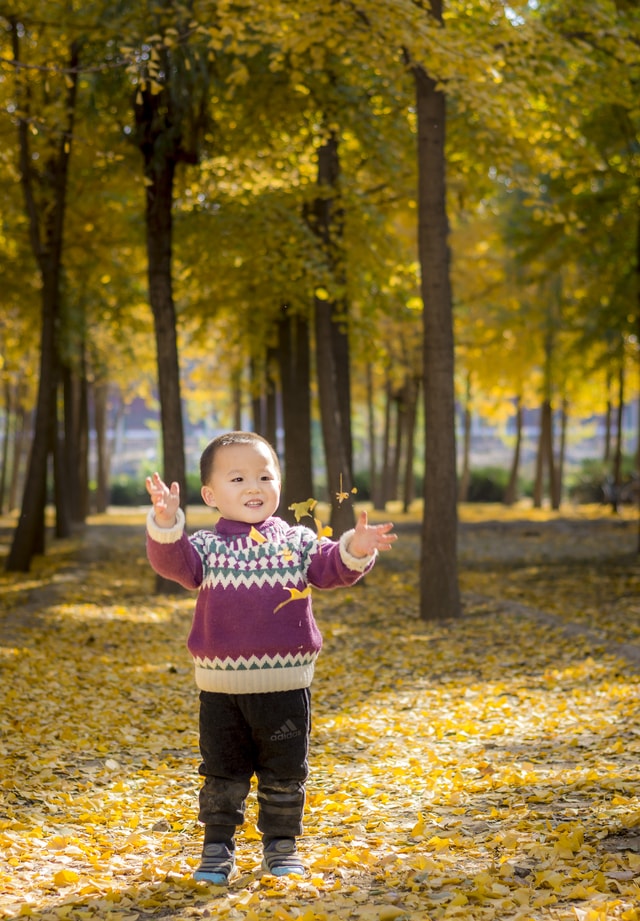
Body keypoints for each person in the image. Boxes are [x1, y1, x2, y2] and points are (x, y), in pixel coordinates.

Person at [145, 431, 396, 885]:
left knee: (284, 774)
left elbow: (331, 568)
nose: (254, 487)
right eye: (238, 478)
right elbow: (173, 564)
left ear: (279, 482)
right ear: (210, 495)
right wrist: (166, 523)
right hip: (221, 694)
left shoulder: (297, 541)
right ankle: (217, 849)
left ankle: (281, 847)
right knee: (222, 774)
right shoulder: (206, 547)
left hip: (285, 689)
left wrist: (356, 549)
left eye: (264, 476)